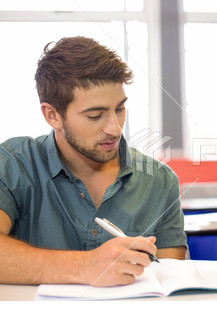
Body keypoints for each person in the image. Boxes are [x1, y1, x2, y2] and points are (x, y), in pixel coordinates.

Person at [0, 36, 187, 287]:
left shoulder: (160, 180)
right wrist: (85, 267)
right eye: (96, 115)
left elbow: (170, 283)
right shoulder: (14, 164)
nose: (115, 128)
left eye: (119, 109)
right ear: (52, 115)